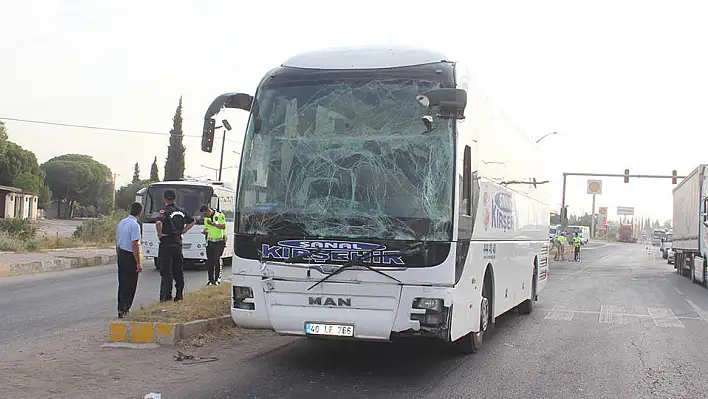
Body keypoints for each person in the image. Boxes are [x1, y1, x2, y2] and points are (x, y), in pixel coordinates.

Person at [156, 189, 195, 302]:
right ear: (174, 199)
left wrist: (160, 234)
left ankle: (166, 296)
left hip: (166, 243)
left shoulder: (165, 211)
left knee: (166, 272)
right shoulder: (181, 211)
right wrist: (183, 231)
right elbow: (192, 222)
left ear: (165, 199)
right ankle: (179, 295)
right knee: (178, 270)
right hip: (178, 243)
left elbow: (158, 223)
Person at [115, 202, 143, 318]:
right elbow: (134, 244)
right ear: (140, 212)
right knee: (131, 284)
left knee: (122, 282)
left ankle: (120, 308)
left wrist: (118, 254)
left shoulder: (122, 222)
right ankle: (126, 308)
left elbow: (117, 240)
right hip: (130, 255)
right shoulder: (135, 225)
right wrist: (138, 262)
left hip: (121, 253)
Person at [200, 204, 227, 286]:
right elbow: (207, 228)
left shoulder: (219, 215)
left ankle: (217, 279)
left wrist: (213, 224)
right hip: (210, 241)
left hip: (219, 240)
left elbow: (223, 226)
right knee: (210, 261)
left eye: (205, 214)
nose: (204, 216)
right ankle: (210, 280)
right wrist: (205, 231)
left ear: (208, 210)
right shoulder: (206, 218)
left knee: (216, 259)